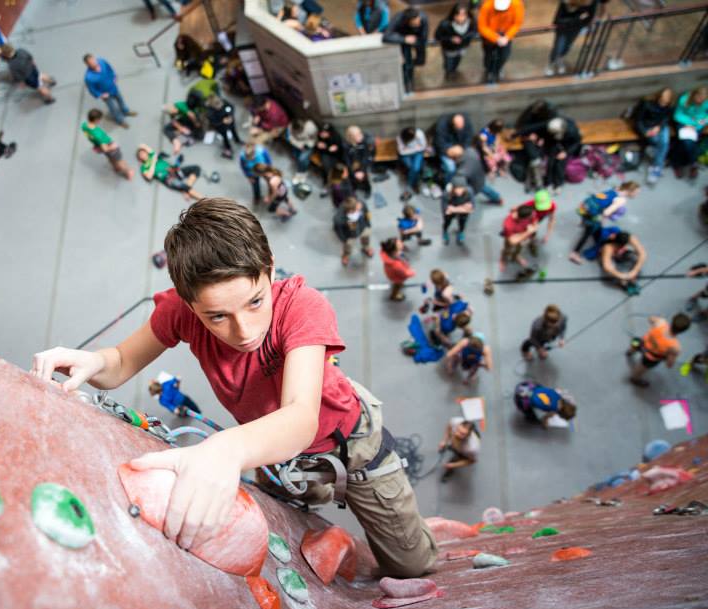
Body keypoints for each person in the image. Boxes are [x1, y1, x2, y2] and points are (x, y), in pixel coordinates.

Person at [30, 198, 438, 577]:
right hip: (272, 450)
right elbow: (121, 362)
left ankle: (424, 531)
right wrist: (93, 361)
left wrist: (225, 450)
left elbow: (299, 416)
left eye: (256, 302)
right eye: (218, 316)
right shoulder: (180, 312)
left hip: (348, 444)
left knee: (411, 564)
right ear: (189, 305)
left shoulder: (302, 307)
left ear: (271, 269)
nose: (243, 331)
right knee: (295, 525)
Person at [569, 181, 640, 263]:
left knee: (597, 226)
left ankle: (583, 222)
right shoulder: (621, 200)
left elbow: (603, 198)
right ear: (631, 190)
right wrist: (611, 215)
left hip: (585, 205)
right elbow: (606, 212)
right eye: (636, 192)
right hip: (592, 214)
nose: (636, 195)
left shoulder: (616, 188)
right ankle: (574, 253)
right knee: (587, 234)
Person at [626, 314, 691, 387]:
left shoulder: (661, 322)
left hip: (643, 343)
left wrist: (656, 319)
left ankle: (629, 352)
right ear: (682, 331)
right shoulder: (675, 347)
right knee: (642, 367)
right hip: (650, 357)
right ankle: (634, 378)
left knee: (635, 343)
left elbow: (650, 318)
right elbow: (669, 364)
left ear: (672, 320)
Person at [547, 0, 602, 76]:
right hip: (563, 29)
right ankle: (551, 64)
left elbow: (589, 17)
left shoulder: (592, 3)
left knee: (567, 46)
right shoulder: (565, 3)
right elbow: (557, 20)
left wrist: (580, 21)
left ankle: (559, 60)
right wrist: (578, 19)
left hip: (575, 29)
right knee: (558, 47)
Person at [513, 99, 559, 191]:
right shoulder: (529, 115)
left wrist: (540, 137)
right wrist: (529, 136)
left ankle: (537, 181)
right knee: (535, 159)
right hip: (528, 136)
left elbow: (546, 127)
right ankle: (538, 183)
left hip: (541, 135)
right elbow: (523, 129)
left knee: (541, 157)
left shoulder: (550, 114)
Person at [382, 8, 429, 94]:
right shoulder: (398, 19)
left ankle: (409, 68)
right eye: (415, 22)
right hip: (403, 38)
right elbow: (386, 37)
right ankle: (408, 83)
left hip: (417, 38)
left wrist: (415, 42)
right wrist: (404, 39)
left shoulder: (423, 18)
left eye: (419, 21)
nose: (418, 23)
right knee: (407, 64)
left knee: (421, 61)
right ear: (409, 21)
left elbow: (424, 38)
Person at [633, 87, 675, 185]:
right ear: (658, 96)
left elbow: (666, 119)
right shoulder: (647, 104)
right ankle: (656, 161)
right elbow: (638, 120)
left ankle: (656, 167)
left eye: (666, 101)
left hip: (659, 126)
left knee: (664, 142)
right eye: (662, 99)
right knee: (658, 141)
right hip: (647, 126)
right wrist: (644, 132)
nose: (664, 102)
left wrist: (659, 127)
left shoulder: (669, 107)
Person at [478, 0, 525, 85]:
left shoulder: (516, 5)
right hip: (490, 34)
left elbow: (517, 23)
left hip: (506, 34)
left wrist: (507, 36)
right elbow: (482, 26)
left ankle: (497, 70)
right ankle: (488, 70)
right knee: (488, 55)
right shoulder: (487, 5)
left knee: (504, 55)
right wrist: (495, 38)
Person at [84, 54, 137, 127]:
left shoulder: (102, 62)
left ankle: (125, 111)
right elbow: (92, 90)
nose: (94, 63)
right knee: (113, 108)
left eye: (93, 60)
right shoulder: (89, 77)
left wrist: (114, 76)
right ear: (87, 64)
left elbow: (110, 69)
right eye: (91, 62)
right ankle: (120, 120)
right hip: (106, 95)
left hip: (113, 88)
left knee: (121, 100)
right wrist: (101, 95)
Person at [136, 144, 203, 200]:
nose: (143, 154)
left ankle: (186, 191)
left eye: (143, 152)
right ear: (140, 158)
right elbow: (149, 176)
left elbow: (144, 146)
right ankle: (204, 199)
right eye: (141, 155)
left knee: (196, 168)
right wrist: (153, 162)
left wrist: (142, 147)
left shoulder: (152, 155)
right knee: (185, 187)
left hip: (174, 171)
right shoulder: (144, 167)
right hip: (167, 178)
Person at [81, 109, 134, 180]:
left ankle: (115, 167)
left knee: (110, 158)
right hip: (108, 146)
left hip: (98, 146)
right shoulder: (98, 133)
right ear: (96, 120)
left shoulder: (84, 126)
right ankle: (128, 172)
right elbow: (105, 149)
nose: (100, 121)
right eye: (99, 119)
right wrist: (113, 147)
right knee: (119, 161)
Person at [671, 87, 708, 179]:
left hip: (697, 125)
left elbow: (706, 116)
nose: (700, 101)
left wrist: (697, 125)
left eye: (703, 100)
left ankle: (678, 163)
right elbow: (677, 115)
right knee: (687, 142)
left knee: (684, 144)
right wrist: (689, 123)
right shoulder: (685, 99)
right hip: (684, 123)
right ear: (695, 95)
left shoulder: (706, 102)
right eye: (699, 98)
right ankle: (693, 163)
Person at [500, 203, 548, 273]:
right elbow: (512, 241)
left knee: (519, 248)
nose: (533, 216)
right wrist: (528, 232)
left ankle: (516, 256)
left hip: (522, 236)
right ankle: (503, 260)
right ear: (523, 219)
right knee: (507, 250)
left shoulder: (530, 213)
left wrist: (534, 227)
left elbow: (535, 221)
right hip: (512, 237)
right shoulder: (508, 224)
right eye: (530, 217)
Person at [598, 228, 647, 295]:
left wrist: (635, 271)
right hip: (612, 256)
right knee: (613, 269)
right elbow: (607, 266)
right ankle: (624, 283)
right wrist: (622, 276)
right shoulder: (608, 247)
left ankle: (632, 281)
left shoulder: (630, 238)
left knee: (634, 258)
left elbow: (642, 253)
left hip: (621, 253)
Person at [435, 3, 477, 80]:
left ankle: (453, 70)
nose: (461, 18)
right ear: (454, 15)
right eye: (458, 15)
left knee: (457, 60)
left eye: (464, 15)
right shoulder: (445, 24)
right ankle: (448, 72)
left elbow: (474, 32)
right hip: (449, 48)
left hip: (463, 47)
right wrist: (451, 39)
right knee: (449, 64)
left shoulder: (471, 22)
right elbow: (438, 36)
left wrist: (465, 37)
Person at [543, 116, 582, 193]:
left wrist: (566, 153)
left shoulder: (572, 131)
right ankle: (549, 183)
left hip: (566, 146)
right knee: (550, 163)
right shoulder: (551, 126)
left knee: (560, 164)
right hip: (554, 144)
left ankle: (558, 184)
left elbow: (576, 143)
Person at [434, 113, 475, 185]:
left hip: (460, 148)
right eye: (458, 128)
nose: (460, 130)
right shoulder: (442, 125)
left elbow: (469, 137)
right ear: (453, 125)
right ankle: (448, 185)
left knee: (470, 162)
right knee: (451, 168)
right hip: (446, 150)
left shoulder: (466, 122)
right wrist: (448, 152)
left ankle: (464, 183)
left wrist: (462, 148)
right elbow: (439, 143)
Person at [334, 196, 375, 266]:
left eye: (358, 206)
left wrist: (368, 224)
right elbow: (339, 230)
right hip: (350, 235)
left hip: (363, 227)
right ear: (350, 211)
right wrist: (344, 239)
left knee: (366, 238)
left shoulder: (360, 204)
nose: (359, 208)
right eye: (357, 209)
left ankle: (366, 247)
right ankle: (346, 255)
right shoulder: (340, 218)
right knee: (348, 245)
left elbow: (367, 212)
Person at [441, 175, 475, 246]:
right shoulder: (447, 193)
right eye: (457, 188)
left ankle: (461, 232)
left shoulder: (469, 192)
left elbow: (471, 209)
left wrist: (453, 209)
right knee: (447, 221)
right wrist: (464, 207)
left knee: (463, 221)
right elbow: (446, 210)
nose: (459, 191)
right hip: (453, 207)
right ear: (453, 188)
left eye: (462, 188)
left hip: (455, 207)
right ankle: (445, 231)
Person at [206, 95, 243, 159]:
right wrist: (222, 122)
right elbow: (214, 123)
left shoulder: (223, 102)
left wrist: (230, 116)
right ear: (212, 105)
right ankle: (228, 147)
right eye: (217, 106)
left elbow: (230, 108)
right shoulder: (210, 112)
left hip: (229, 120)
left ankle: (237, 140)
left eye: (221, 104)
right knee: (225, 136)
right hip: (220, 126)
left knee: (233, 130)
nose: (220, 107)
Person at [396, 126, 427, 200]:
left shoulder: (419, 134)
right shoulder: (400, 138)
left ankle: (410, 185)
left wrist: (410, 149)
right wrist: (415, 149)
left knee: (415, 168)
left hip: (417, 153)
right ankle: (414, 184)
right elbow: (401, 152)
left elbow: (423, 147)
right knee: (411, 167)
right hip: (407, 154)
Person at [345, 125, 376, 198]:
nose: (360, 136)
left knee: (365, 179)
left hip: (363, 164)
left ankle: (368, 190)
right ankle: (355, 187)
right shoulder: (346, 145)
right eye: (357, 135)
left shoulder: (364, 142)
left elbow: (366, 156)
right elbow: (347, 159)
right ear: (351, 137)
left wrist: (362, 171)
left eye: (360, 133)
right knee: (353, 178)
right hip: (353, 165)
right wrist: (353, 173)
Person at [380, 237, 415, 301]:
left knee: (398, 283)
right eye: (399, 244)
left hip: (392, 272)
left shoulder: (389, 253)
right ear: (394, 250)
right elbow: (404, 273)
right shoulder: (396, 264)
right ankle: (394, 295)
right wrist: (412, 272)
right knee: (397, 285)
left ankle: (398, 287)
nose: (402, 244)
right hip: (397, 277)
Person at [316, 123, 347, 192]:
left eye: (325, 132)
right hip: (325, 154)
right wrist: (318, 146)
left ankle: (332, 182)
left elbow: (339, 151)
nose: (323, 134)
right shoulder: (320, 136)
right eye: (322, 132)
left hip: (335, 156)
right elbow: (321, 148)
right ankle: (328, 181)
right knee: (325, 166)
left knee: (333, 167)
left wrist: (332, 148)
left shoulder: (336, 137)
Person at [286, 118, 318, 183]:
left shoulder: (311, 127)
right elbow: (290, 138)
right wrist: (300, 145)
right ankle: (303, 171)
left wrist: (306, 145)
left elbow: (314, 139)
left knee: (302, 159)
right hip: (298, 144)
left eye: (300, 131)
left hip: (308, 145)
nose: (298, 133)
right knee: (298, 157)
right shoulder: (290, 127)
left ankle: (300, 173)